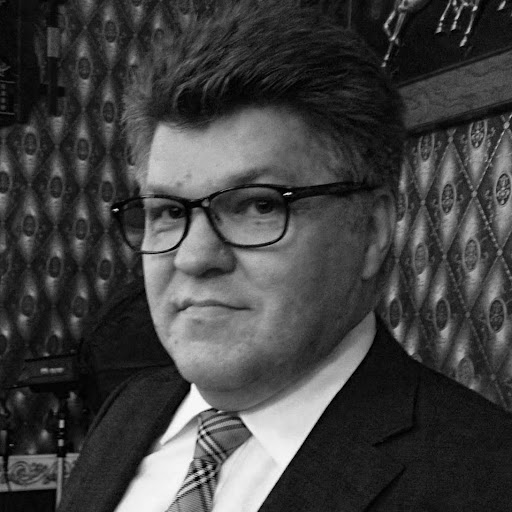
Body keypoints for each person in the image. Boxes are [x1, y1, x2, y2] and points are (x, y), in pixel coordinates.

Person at [58, 2, 512, 511]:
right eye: (168, 211)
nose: (194, 257)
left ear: (372, 230)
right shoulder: (128, 411)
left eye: (259, 205)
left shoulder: (484, 479)